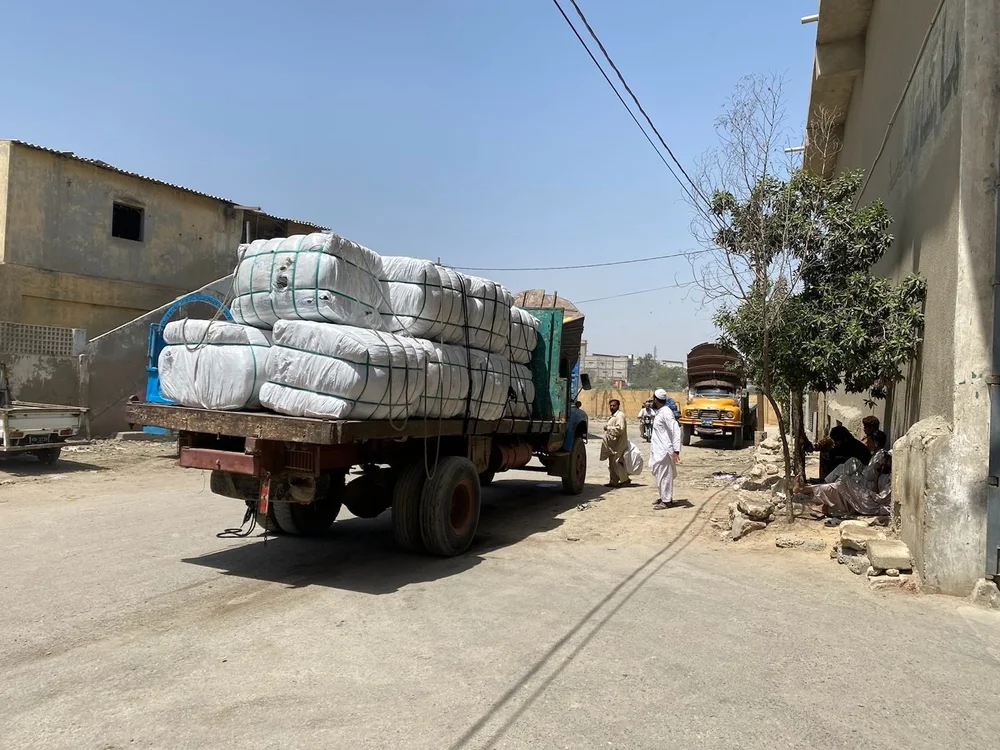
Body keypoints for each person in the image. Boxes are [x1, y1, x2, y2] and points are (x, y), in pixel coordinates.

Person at [797, 430, 892, 518]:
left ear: (876, 443)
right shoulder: (877, 455)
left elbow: (871, 478)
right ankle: (818, 497)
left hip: (869, 493)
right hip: (867, 485)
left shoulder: (881, 457)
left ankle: (808, 490)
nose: (867, 443)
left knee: (843, 480)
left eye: (869, 441)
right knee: (847, 469)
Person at [649, 388, 682, 509]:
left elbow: (675, 429)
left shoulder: (666, 412)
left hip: (664, 450)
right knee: (660, 475)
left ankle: (667, 501)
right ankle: (664, 497)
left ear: (656, 399)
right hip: (658, 450)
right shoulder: (660, 411)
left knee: (665, 476)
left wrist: (676, 450)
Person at [600, 399, 630, 488]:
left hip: (618, 444)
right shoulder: (613, 416)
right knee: (612, 463)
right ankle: (613, 481)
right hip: (612, 444)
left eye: (614, 405)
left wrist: (608, 428)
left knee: (617, 462)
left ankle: (625, 480)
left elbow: (620, 429)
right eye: (611, 405)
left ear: (618, 406)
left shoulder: (620, 416)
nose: (612, 407)